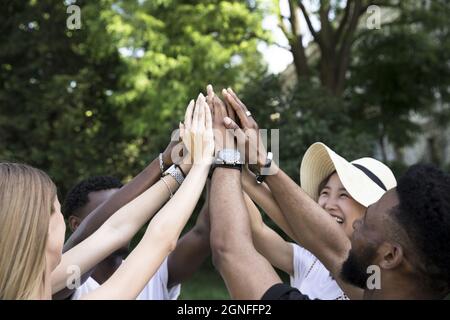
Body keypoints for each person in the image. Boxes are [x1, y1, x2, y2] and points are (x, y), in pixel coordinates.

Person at [209, 87, 450, 300]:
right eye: (326, 191)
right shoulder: (378, 284)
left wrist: (224, 155)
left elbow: (230, 250)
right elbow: (327, 245)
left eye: (365, 223)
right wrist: (261, 162)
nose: (356, 226)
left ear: (389, 256)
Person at [0, 94, 214, 299]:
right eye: (55, 208)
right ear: (40, 226)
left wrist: (181, 168)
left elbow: (115, 229)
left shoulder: (29, 283)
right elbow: (160, 240)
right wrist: (203, 162)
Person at [242, 142, 396, 299]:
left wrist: (263, 164)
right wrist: (233, 168)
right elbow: (257, 229)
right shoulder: (312, 262)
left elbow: (320, 240)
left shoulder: (378, 279)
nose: (328, 205)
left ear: (371, 213)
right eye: (325, 192)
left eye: (343, 195)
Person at [62, 175, 210, 300]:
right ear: (76, 224)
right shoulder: (68, 281)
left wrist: (217, 163)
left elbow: (204, 232)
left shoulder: (154, 271)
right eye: (109, 214)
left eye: (128, 211)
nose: (123, 220)